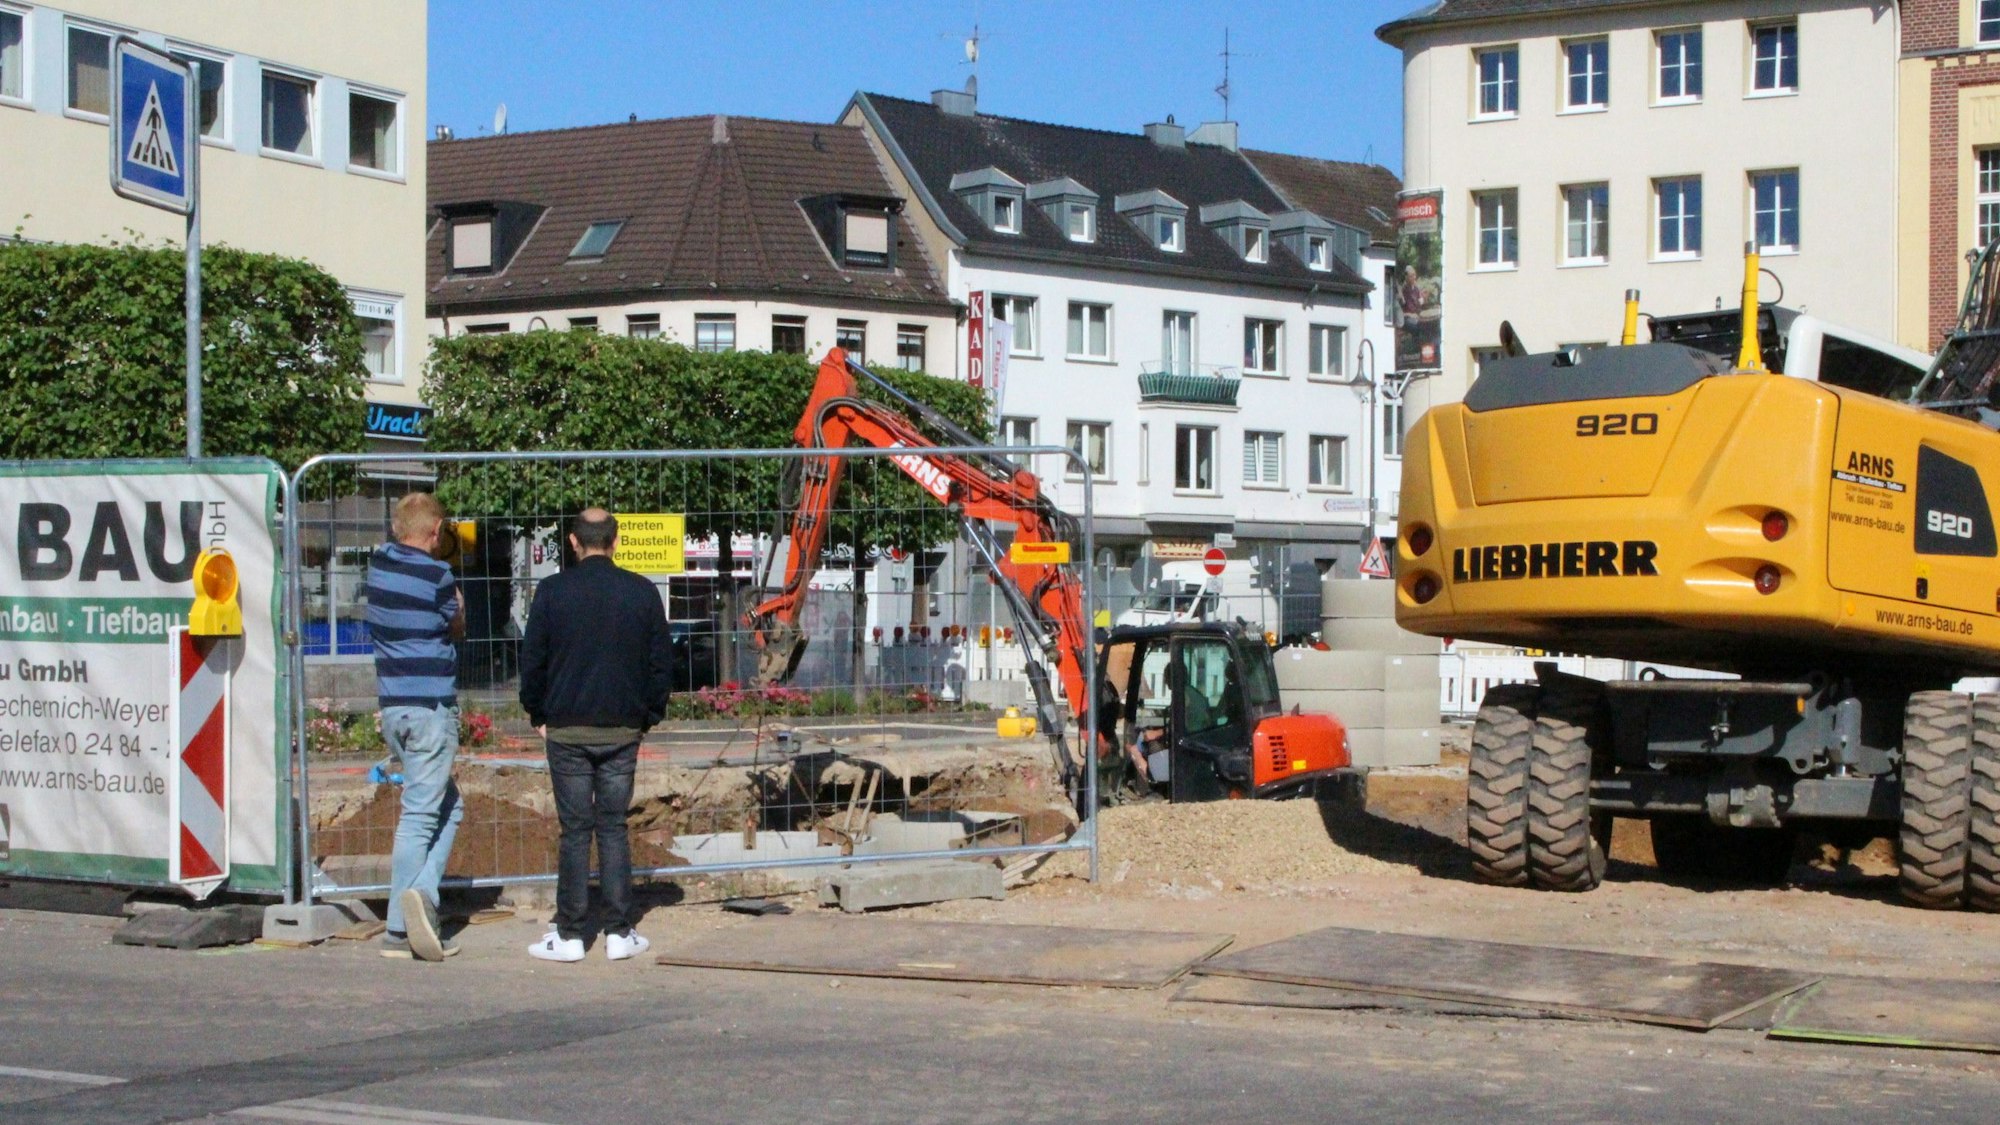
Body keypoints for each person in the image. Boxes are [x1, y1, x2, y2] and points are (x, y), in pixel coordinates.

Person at [519, 508, 671, 962]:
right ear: (616, 541)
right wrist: (648, 715)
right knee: (613, 827)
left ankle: (569, 935)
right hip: (622, 729)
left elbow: (533, 661)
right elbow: (660, 664)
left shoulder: (552, 592)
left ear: (573, 542)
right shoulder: (642, 593)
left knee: (574, 830)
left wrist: (537, 712)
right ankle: (619, 932)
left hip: (566, 728)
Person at [365, 492, 466, 962]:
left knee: (449, 805)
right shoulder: (438, 575)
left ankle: (416, 902)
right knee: (421, 816)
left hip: (394, 708)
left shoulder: (378, 566)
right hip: (431, 708)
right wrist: (457, 603)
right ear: (436, 530)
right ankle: (404, 920)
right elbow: (456, 626)